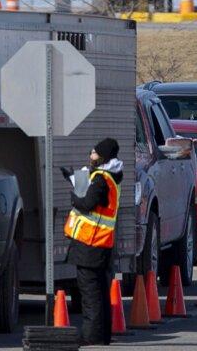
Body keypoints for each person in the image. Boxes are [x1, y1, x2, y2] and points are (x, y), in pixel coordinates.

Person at [63, 138, 123, 345]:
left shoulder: (100, 179)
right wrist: (74, 179)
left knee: (90, 295)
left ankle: (91, 336)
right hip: (101, 244)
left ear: (103, 156)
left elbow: (87, 203)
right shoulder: (111, 177)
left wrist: (73, 197)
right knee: (100, 293)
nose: (91, 156)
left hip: (90, 244)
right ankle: (102, 335)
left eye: (94, 153)